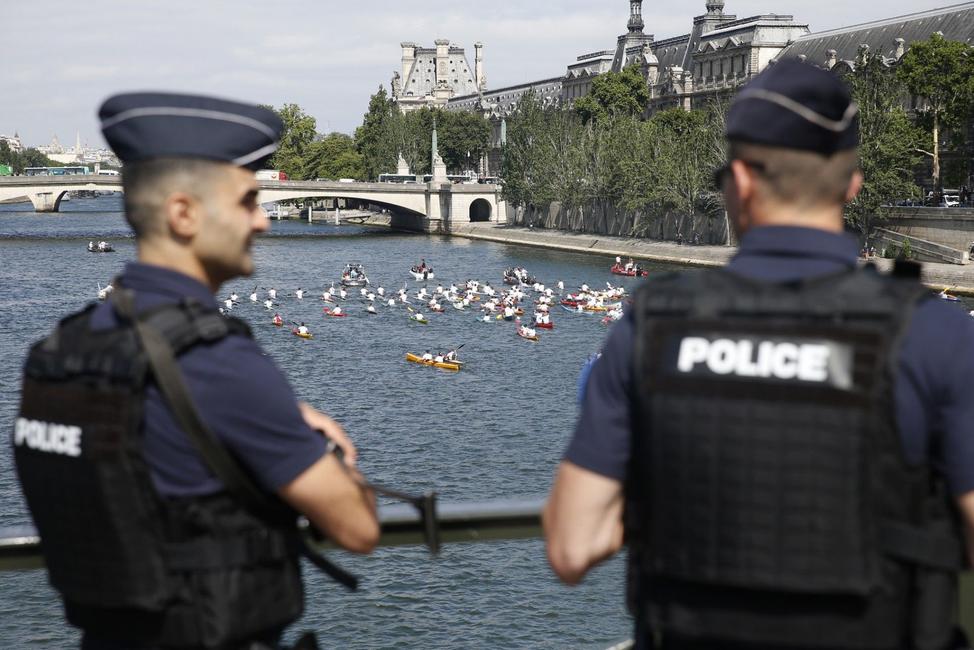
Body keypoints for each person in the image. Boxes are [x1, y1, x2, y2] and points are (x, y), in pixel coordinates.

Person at [544, 60, 974, 649]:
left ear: (739, 182)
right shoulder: (936, 335)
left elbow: (572, 548)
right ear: (852, 184)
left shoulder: (652, 328)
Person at [13, 92, 379, 650]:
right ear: (183, 214)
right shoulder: (216, 363)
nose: (264, 221)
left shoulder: (62, 349)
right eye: (248, 201)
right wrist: (330, 447)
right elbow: (358, 527)